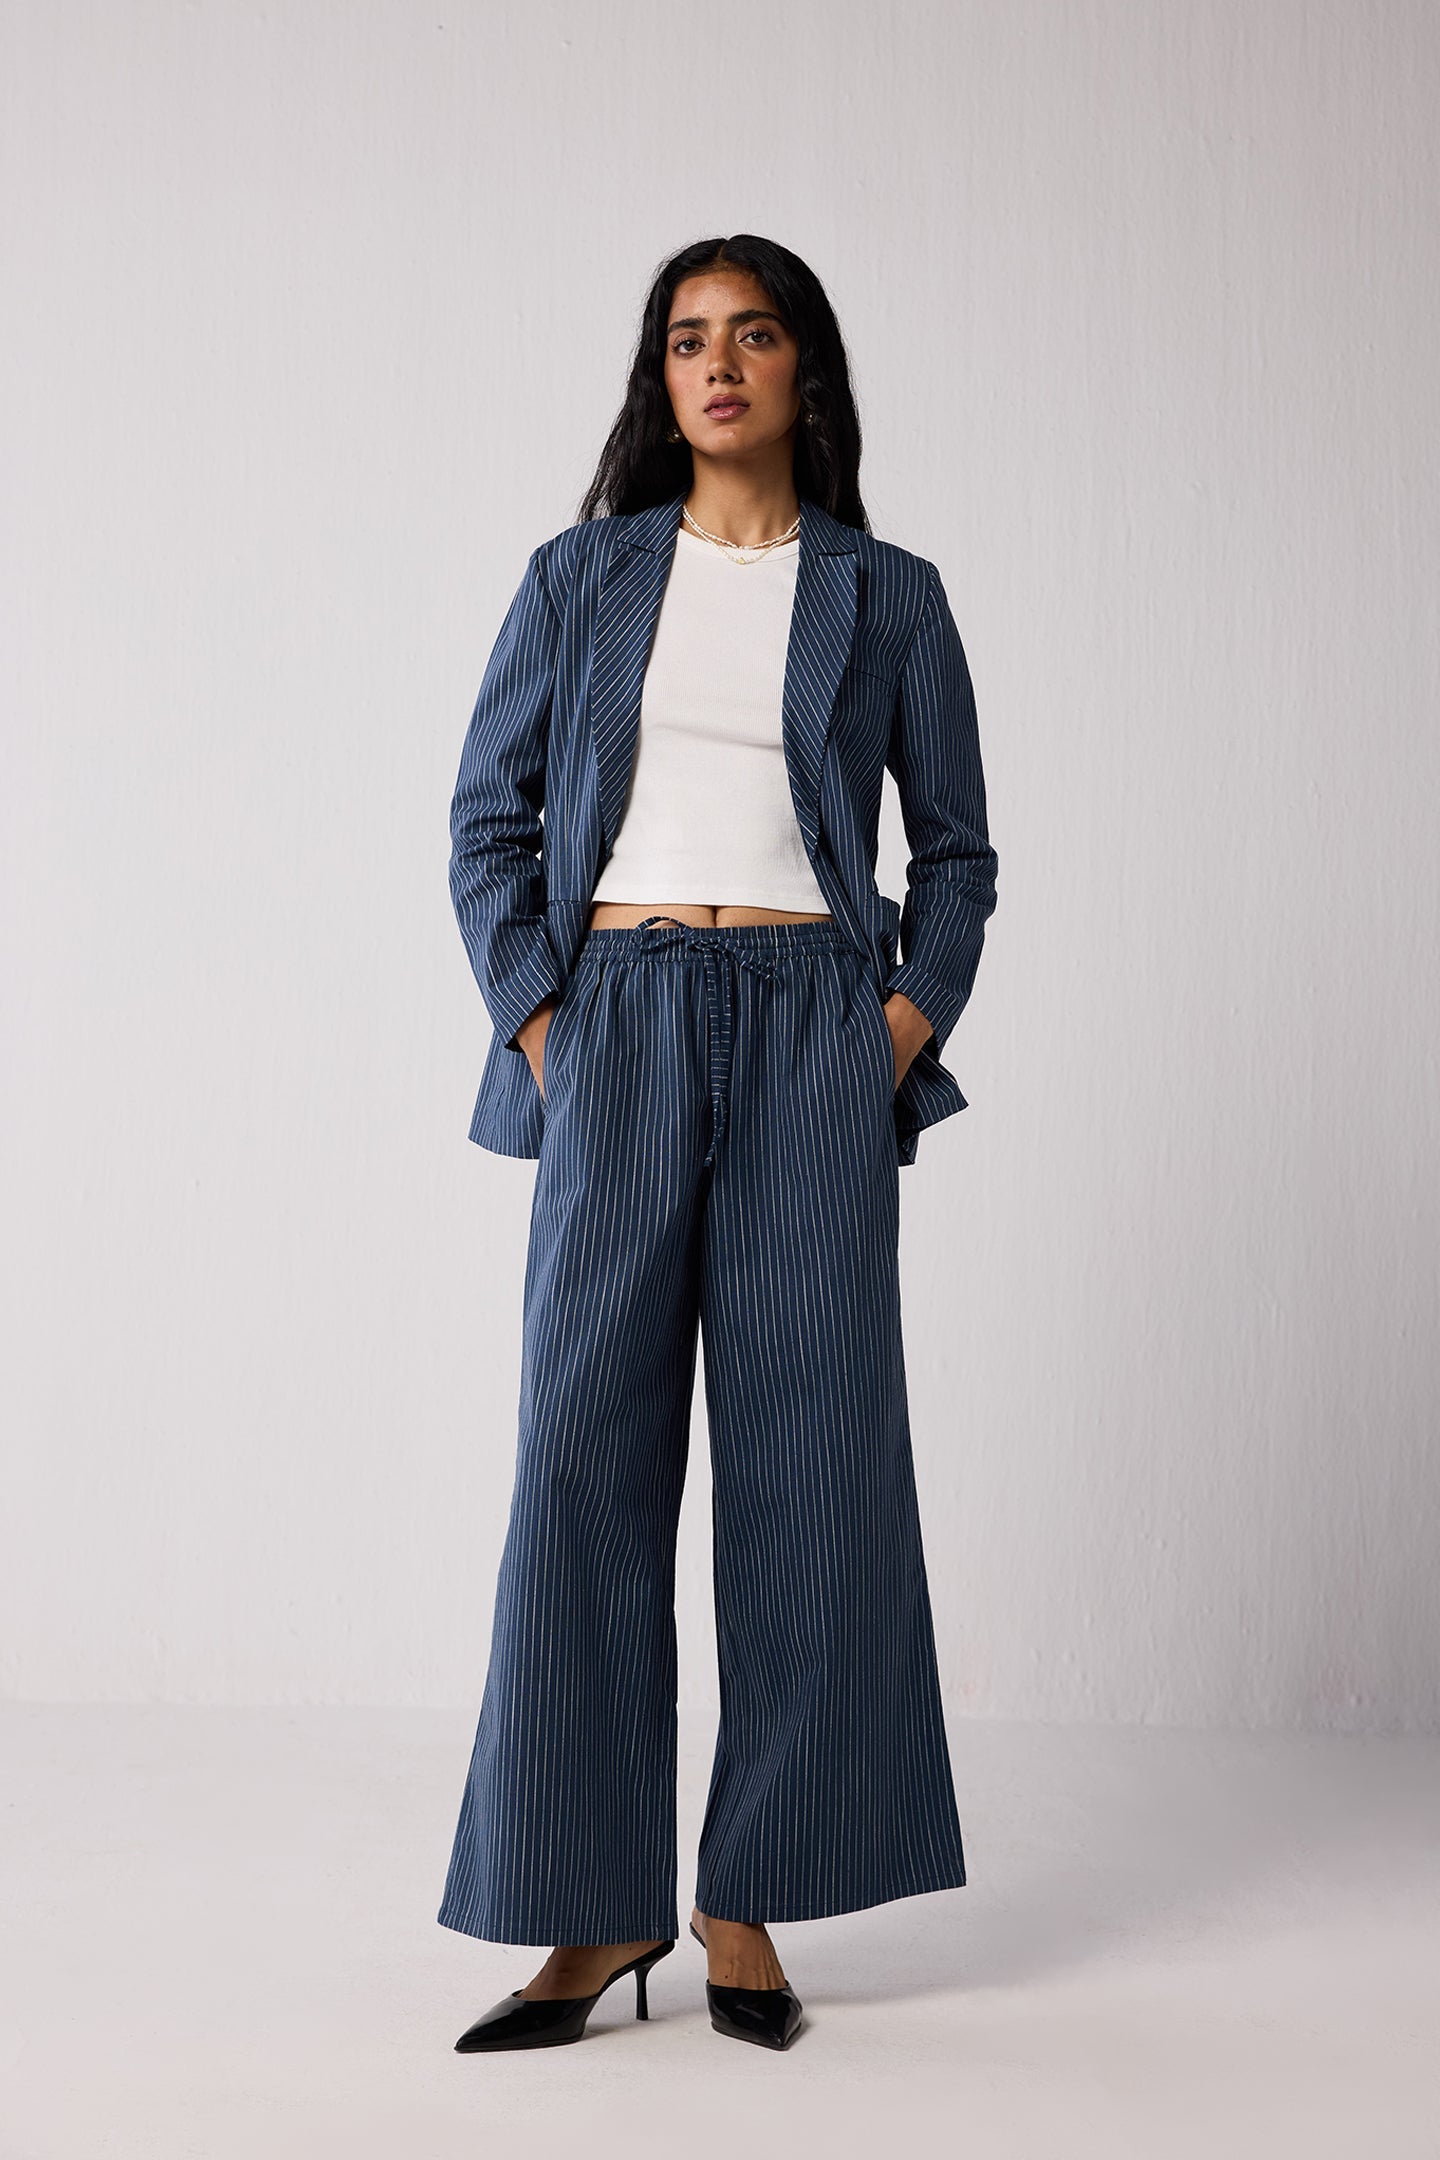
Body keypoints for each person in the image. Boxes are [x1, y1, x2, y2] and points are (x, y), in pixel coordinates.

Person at [437, 233, 998, 2054]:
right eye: (689, 339)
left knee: (807, 1471)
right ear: (658, 379)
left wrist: (895, 1025)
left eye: (753, 334)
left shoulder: (888, 593)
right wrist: (545, 1021)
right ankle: (590, 1914)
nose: (720, 364)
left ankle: (741, 1901)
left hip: (813, 1030)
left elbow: (961, 855)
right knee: (583, 1462)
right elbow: (486, 822)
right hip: (617, 1021)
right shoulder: (580, 577)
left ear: (805, 371)